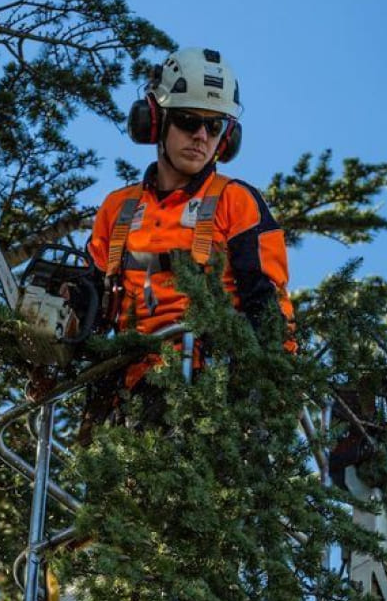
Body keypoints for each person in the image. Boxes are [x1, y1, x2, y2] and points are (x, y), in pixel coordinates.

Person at [80, 47, 295, 425]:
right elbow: (88, 302)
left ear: (227, 136)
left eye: (214, 127)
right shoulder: (117, 209)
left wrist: (272, 380)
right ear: (155, 120)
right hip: (129, 392)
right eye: (187, 120)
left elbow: (269, 304)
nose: (200, 136)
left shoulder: (235, 201)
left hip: (212, 387)